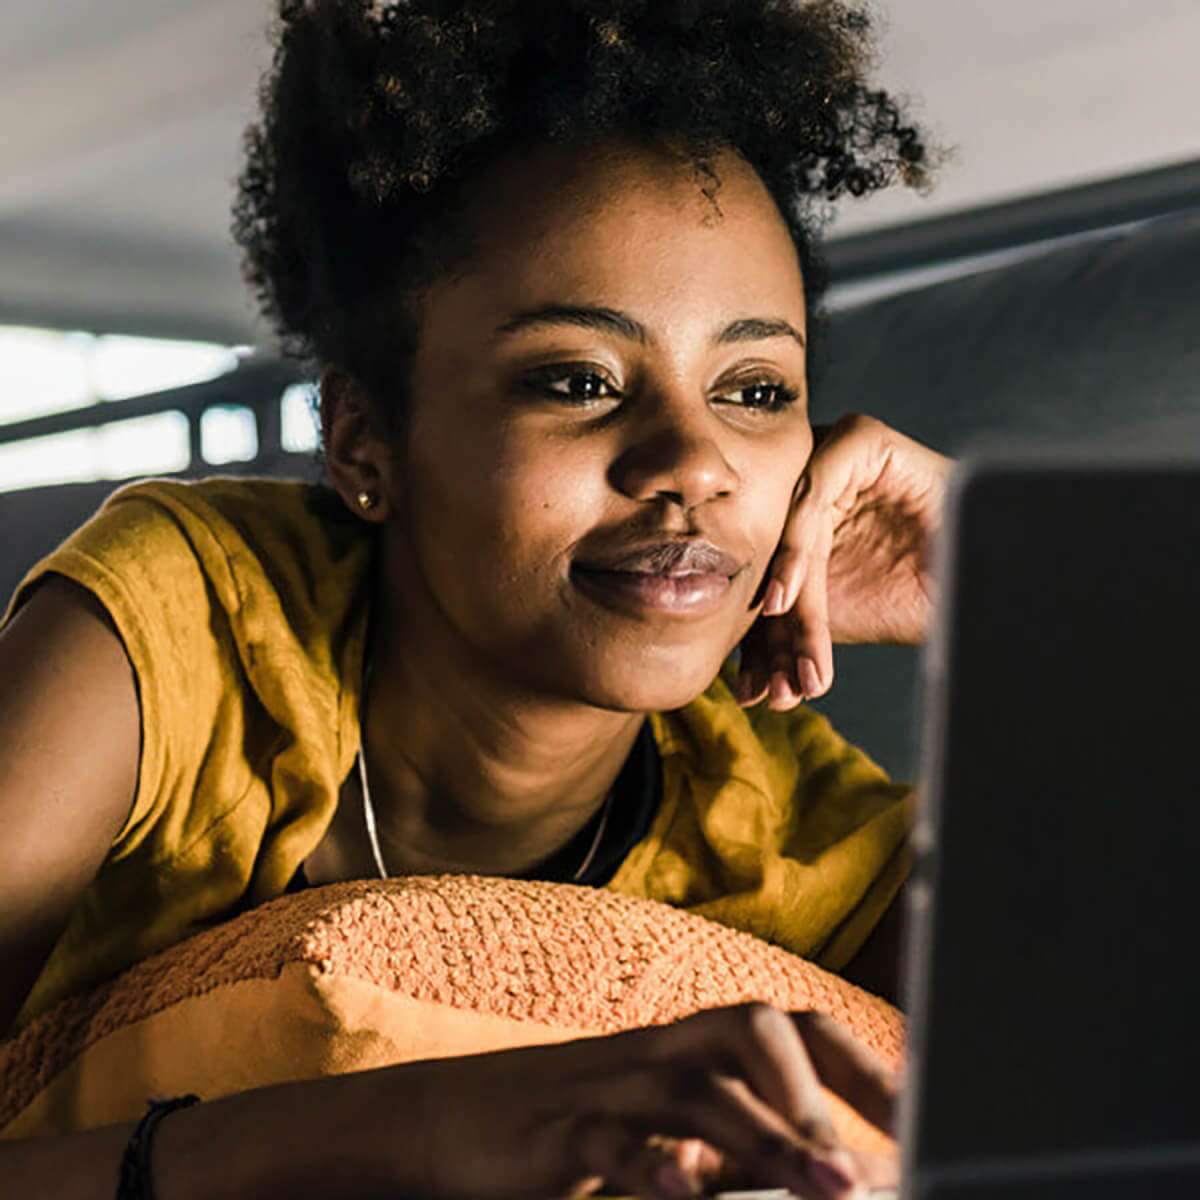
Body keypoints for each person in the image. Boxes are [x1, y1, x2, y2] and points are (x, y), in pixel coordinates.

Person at [0, 1, 951, 1196]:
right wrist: (408, 1129)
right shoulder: (173, 630)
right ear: (364, 444)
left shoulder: (785, 829)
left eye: (756, 389)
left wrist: (1024, 578)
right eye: (576, 379)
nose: (696, 462)